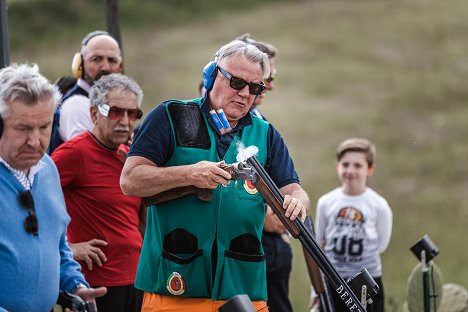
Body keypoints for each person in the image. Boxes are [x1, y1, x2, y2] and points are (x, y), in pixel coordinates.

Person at [120, 39, 310, 312]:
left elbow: (294, 189)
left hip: (244, 289)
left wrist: (297, 202)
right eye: (237, 83)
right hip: (175, 287)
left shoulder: (266, 133)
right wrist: (189, 174)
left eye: (255, 88)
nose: (246, 93)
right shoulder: (170, 116)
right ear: (211, 75)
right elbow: (129, 180)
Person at [0, 63, 106, 312]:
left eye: (44, 126)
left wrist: (75, 286)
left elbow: (57, 245)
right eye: (23, 128)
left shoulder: (47, 169)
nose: (35, 141)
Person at [52, 73, 145, 312]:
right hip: (96, 284)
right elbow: (31, 199)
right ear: (94, 113)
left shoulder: (130, 157)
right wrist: (69, 248)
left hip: (138, 279)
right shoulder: (73, 153)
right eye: (115, 111)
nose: (125, 120)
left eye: (132, 113)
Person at [236, 33, 295, 312]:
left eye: (269, 79)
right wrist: (264, 219)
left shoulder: (261, 122)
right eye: (265, 79)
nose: (268, 86)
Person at [314, 138, 392, 311]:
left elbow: (381, 244)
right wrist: (315, 292)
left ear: (369, 169)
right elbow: (319, 244)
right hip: (334, 281)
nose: (350, 170)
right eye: (345, 164)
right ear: (338, 166)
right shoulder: (326, 202)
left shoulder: (378, 205)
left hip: (369, 282)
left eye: (357, 165)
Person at [49, 30, 123, 154]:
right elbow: (88, 159)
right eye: (96, 59)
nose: (105, 67)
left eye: (112, 60)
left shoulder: (104, 104)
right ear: (80, 64)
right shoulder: (77, 105)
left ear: (120, 66)